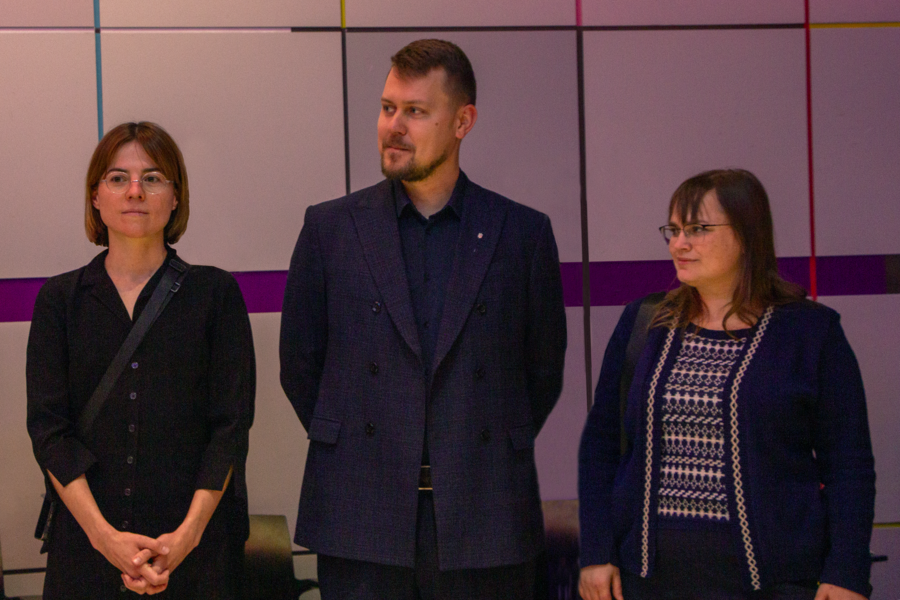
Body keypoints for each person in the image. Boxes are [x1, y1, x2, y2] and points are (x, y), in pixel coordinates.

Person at [280, 39, 567, 599]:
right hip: (360, 514)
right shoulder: (330, 229)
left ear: (463, 121)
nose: (394, 126)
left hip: (485, 516)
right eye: (388, 108)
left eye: (415, 111)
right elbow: (300, 366)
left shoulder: (522, 234)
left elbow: (542, 372)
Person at [578, 169, 876, 600]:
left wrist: (847, 571)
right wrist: (596, 551)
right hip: (647, 581)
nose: (679, 244)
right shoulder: (645, 322)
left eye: (698, 229)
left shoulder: (811, 333)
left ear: (747, 234)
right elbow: (602, 445)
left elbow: (849, 465)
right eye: (674, 230)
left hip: (773, 582)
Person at [27, 122, 255, 598]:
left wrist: (187, 537)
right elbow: (49, 431)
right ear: (95, 196)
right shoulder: (60, 300)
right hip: (86, 549)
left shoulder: (215, 294)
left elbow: (230, 427)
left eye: (153, 178)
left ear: (175, 197)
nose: (135, 191)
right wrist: (105, 539)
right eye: (117, 178)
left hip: (195, 553)